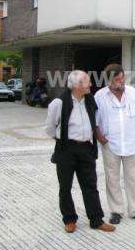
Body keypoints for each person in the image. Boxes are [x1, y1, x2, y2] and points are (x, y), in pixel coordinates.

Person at [45, 70, 115, 233]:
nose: (91, 84)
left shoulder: (89, 100)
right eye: (88, 81)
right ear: (77, 85)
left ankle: (96, 220)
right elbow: (49, 128)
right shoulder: (59, 103)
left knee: (90, 185)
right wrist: (62, 141)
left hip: (86, 148)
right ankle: (69, 220)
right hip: (66, 149)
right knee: (65, 186)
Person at [94, 64, 135, 225]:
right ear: (109, 81)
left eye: (122, 78)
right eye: (117, 80)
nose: (121, 82)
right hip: (110, 145)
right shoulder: (100, 96)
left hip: (131, 145)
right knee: (112, 178)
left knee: (133, 178)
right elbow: (95, 122)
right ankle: (116, 211)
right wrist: (101, 139)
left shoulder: (134, 94)